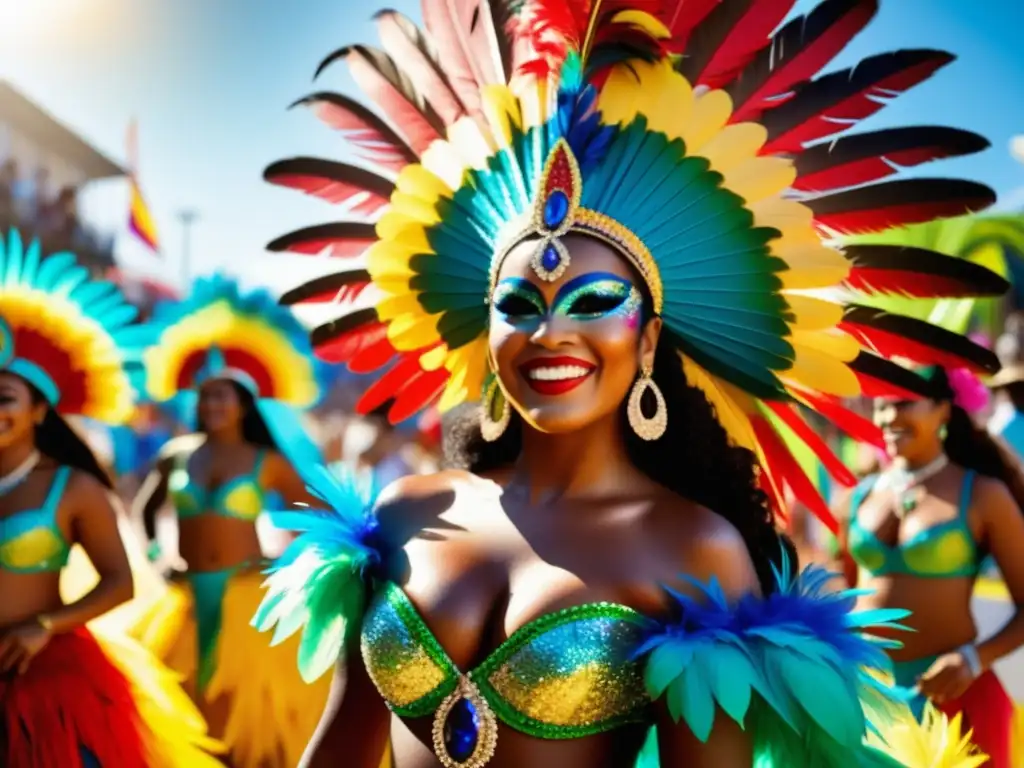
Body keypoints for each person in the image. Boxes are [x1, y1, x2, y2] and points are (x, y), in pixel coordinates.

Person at [254, 1, 1004, 765]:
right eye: (519, 307)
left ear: (646, 339)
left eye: (593, 303)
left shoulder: (696, 550)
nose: (550, 334)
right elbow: (339, 743)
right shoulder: (408, 510)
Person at [0, 229, 220, 767]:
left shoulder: (71, 488)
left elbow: (120, 582)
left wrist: (43, 627)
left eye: (4, 397)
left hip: (41, 680)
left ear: (39, 411)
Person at [128, 275, 331, 767]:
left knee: (243, 724)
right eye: (207, 396)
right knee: (177, 709)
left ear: (244, 405)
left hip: (247, 600)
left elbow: (318, 516)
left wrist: (288, 565)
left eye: (225, 396)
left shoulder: (266, 460)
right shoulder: (175, 455)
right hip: (182, 600)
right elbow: (146, 510)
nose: (214, 405)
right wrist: (158, 555)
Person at [836, 366, 1024, 767]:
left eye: (903, 405)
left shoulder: (983, 494)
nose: (888, 419)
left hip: (954, 708)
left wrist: (975, 659)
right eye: (881, 406)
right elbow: (844, 596)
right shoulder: (859, 495)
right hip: (867, 706)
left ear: (944, 409)